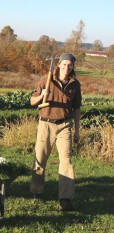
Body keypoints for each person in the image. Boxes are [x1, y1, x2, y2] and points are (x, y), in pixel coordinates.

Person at [29, 53, 82, 211]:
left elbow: (77, 108)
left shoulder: (75, 84)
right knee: (40, 159)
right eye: (64, 64)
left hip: (65, 126)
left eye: (70, 65)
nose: (67, 68)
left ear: (72, 67)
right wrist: (41, 97)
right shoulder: (46, 79)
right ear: (58, 65)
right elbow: (32, 101)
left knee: (66, 161)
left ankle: (65, 198)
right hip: (46, 124)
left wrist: (77, 130)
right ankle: (36, 192)